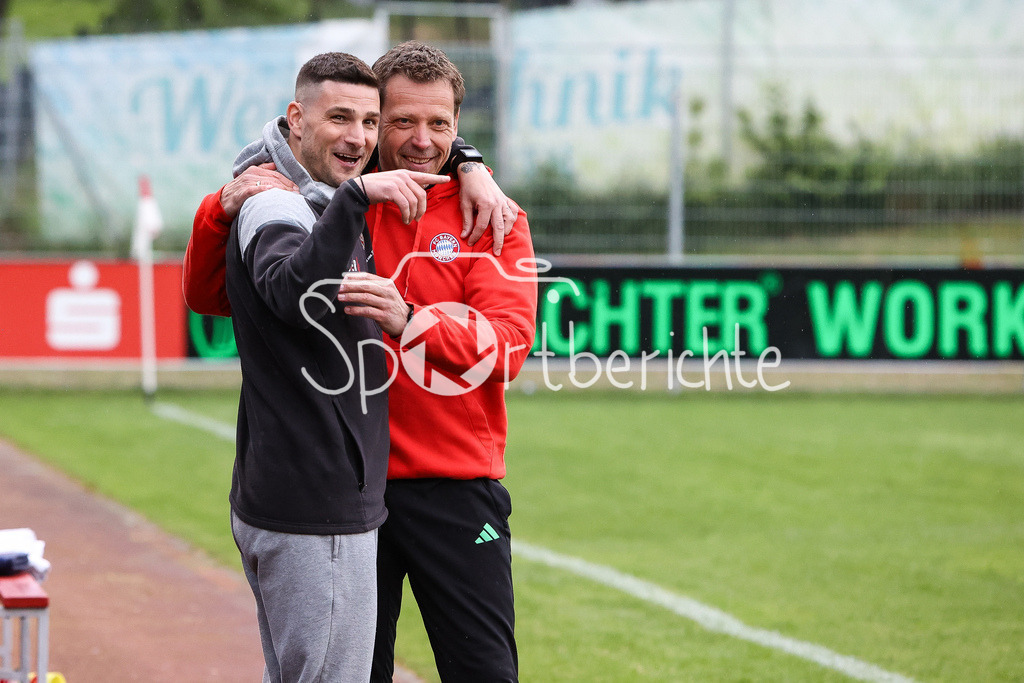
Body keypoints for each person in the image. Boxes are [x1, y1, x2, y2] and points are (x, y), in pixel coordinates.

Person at [186, 43, 536, 682]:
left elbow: (509, 346)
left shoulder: (490, 216)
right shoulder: (337, 197)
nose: (421, 140)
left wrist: (413, 321)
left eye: (441, 126)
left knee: (484, 674)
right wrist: (224, 203)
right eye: (400, 121)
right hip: (346, 493)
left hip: (453, 485)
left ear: (459, 131)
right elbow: (213, 296)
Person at [221, 51, 452, 683]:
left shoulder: (314, 187)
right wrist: (354, 199)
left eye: (370, 122)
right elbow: (297, 297)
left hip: (297, 495)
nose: (360, 137)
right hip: (313, 506)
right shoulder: (277, 203)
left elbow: (426, 134)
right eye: (340, 117)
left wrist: (474, 166)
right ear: (297, 118)